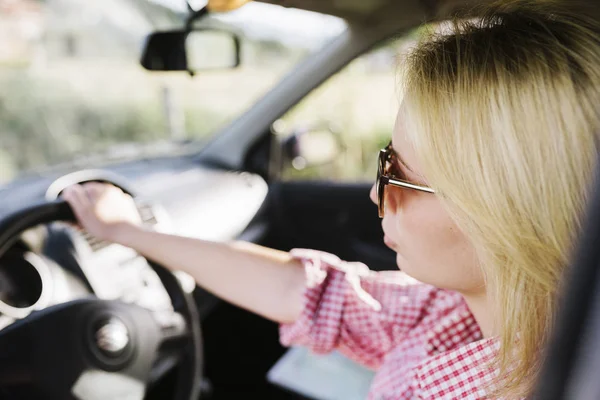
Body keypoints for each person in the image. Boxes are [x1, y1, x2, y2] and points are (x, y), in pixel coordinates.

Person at [62, 0, 600, 398]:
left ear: (506, 214)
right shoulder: (456, 315)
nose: (375, 191)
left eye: (398, 174)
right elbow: (313, 294)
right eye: (381, 160)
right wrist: (132, 234)